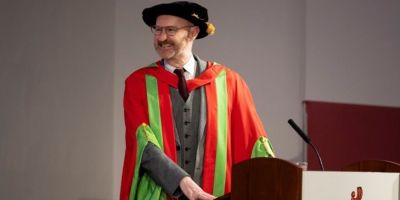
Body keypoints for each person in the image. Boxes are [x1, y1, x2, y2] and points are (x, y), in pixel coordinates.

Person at [120, 1, 275, 200]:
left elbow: (252, 141)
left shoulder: (229, 82)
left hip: (216, 196)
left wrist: (273, 177)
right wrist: (182, 182)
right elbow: (143, 147)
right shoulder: (138, 83)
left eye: (170, 30)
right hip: (161, 195)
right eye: (157, 30)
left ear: (192, 33)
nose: (162, 37)